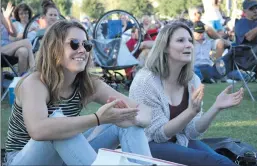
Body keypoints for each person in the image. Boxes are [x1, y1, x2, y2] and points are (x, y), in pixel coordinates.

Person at [4, 20, 152, 166]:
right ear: (53, 48)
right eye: (74, 44)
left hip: (64, 153)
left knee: (127, 120)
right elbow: (38, 130)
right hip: (22, 159)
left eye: (86, 45)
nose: (82, 50)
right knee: (58, 126)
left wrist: (132, 119)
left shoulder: (89, 84)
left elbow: (144, 110)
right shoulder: (35, 83)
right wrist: (97, 119)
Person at [129, 21, 244, 166]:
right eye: (180, 40)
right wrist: (190, 112)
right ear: (164, 47)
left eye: (190, 40)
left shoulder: (192, 80)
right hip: (147, 146)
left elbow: (191, 132)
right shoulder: (146, 81)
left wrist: (216, 107)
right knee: (215, 161)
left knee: (220, 159)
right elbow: (158, 135)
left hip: (180, 141)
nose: (189, 44)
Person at [1, 2, 35, 76]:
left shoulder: (1, 16)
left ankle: (21, 79)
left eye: (26, 13)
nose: (24, 15)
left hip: (7, 47)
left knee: (23, 51)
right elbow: (15, 37)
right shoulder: (17, 23)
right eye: (21, 13)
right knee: (26, 41)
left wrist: (7, 18)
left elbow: (13, 34)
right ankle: (33, 68)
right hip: (2, 48)